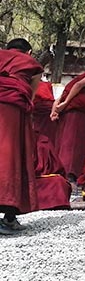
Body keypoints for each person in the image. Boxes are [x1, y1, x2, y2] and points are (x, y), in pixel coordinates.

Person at [0, 38, 43, 234]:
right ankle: (9, 217)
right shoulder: (31, 64)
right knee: (12, 157)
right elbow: (30, 97)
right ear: (28, 52)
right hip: (14, 112)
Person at [52, 67, 85, 183]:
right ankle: (70, 172)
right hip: (77, 113)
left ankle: (61, 170)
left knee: (65, 140)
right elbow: (78, 86)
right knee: (74, 143)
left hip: (68, 113)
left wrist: (54, 111)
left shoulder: (74, 80)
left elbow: (59, 98)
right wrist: (65, 103)